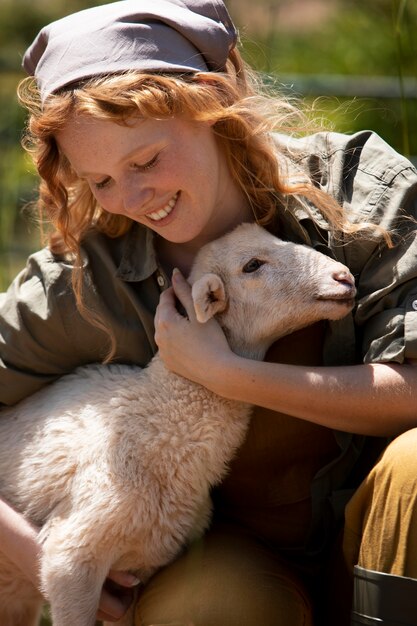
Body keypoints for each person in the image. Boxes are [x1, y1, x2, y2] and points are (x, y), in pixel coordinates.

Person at [1, 0, 417, 624]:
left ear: (211, 103)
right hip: (228, 562)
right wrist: (47, 554)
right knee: (209, 604)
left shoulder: (358, 192)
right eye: (102, 181)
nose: (134, 198)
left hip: (383, 532)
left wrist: (226, 374)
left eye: (145, 161)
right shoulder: (85, 279)